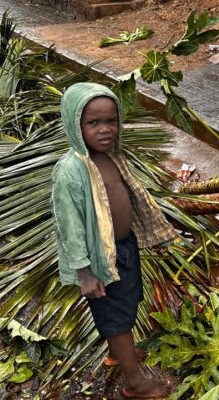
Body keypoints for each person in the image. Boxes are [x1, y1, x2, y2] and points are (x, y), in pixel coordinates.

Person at [51, 83, 175, 399]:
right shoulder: (71, 170)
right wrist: (85, 273)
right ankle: (136, 383)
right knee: (116, 317)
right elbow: (71, 227)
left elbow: (131, 197)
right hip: (99, 260)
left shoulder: (110, 156)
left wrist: (152, 234)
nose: (105, 130)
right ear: (74, 124)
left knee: (128, 303)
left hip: (124, 247)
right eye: (94, 123)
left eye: (111, 121)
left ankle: (118, 354)